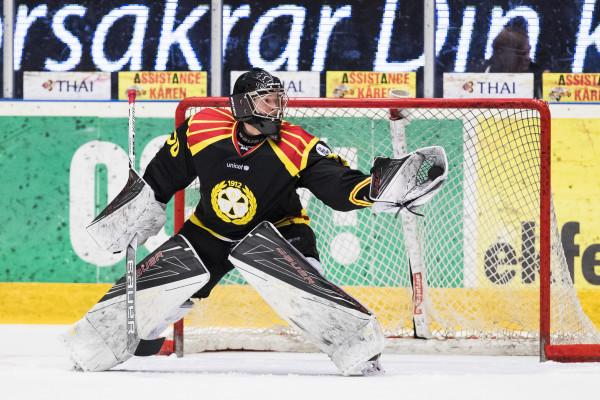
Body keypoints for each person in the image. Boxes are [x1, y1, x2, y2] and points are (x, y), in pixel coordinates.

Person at [60, 68, 447, 376]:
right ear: (244, 105)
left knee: (307, 290)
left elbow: (336, 186)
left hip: (279, 231)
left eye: (279, 101)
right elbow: (162, 177)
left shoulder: (296, 143)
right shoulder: (201, 128)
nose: (277, 109)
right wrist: (135, 212)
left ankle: (360, 348)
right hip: (208, 232)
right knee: (146, 300)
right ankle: (119, 338)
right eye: (268, 101)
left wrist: (374, 189)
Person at [481, 23, 548, 99]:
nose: (528, 58)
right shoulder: (476, 76)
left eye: (528, 52)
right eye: (522, 54)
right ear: (504, 55)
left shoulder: (540, 78)